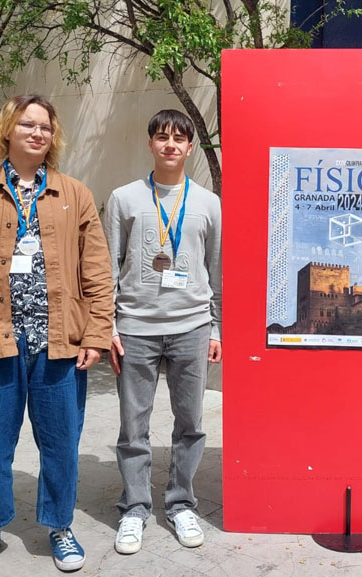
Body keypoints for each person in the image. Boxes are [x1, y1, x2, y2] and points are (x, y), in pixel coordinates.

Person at [0, 94, 114, 577]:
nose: (37, 133)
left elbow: (97, 271)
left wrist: (96, 334)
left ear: (53, 138)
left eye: (46, 128)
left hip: (59, 342)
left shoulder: (74, 193)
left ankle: (59, 525)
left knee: (60, 444)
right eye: (28, 125)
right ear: (8, 131)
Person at [104, 109, 222, 554]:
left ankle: (180, 503)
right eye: (162, 137)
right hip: (135, 328)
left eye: (179, 138)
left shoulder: (209, 202)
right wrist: (108, 324)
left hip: (191, 325)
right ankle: (135, 508)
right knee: (133, 425)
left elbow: (216, 269)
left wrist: (216, 328)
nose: (171, 145)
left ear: (191, 147)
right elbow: (108, 265)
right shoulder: (125, 198)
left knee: (190, 422)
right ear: (150, 143)